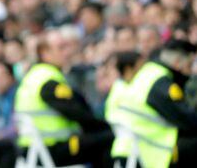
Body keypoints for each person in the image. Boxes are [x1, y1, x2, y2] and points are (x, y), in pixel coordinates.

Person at [14, 33, 114, 167]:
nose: (67, 53)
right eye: (61, 48)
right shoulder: (48, 80)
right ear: (45, 53)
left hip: (36, 147)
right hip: (51, 149)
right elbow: (77, 113)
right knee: (108, 138)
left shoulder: (35, 75)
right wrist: (106, 126)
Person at [117, 39, 197, 168]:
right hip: (158, 151)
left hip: (137, 148)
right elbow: (187, 119)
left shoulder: (149, 74)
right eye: (189, 65)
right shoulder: (160, 82)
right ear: (177, 62)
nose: (190, 72)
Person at [104, 50, 143, 167]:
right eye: (141, 67)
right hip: (135, 148)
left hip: (122, 148)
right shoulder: (130, 91)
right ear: (128, 69)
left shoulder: (117, 89)